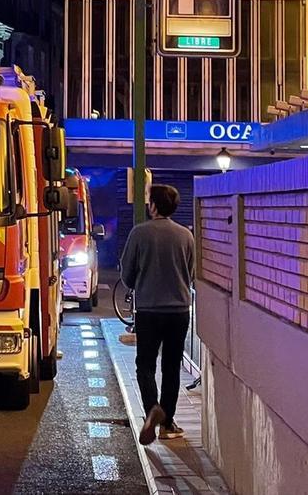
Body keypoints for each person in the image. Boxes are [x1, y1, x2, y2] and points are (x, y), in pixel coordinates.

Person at [120, 183, 195, 446]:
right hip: (179, 311)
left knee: (145, 365)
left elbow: (127, 275)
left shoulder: (139, 234)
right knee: (171, 366)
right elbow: (191, 273)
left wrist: (139, 281)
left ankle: (153, 407)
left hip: (149, 310)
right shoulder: (186, 235)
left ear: (153, 205)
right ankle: (167, 423)